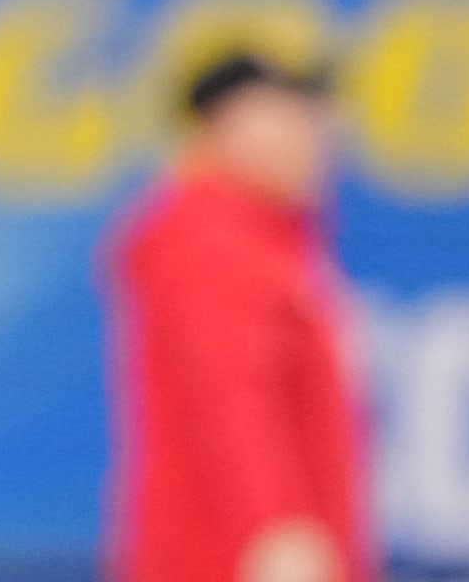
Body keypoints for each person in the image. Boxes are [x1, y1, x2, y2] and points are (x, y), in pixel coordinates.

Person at [104, 54, 374, 582]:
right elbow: (228, 392)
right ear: (232, 123)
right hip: (229, 556)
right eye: (297, 116)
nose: (320, 138)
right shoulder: (213, 241)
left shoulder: (265, 238)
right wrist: (272, 526)